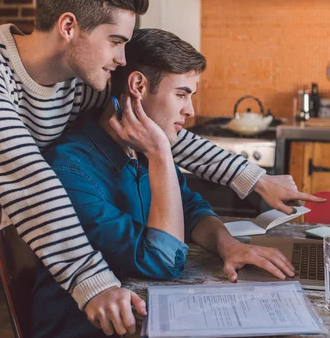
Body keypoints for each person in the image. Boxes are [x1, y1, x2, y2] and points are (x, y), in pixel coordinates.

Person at [0, 0, 324, 338]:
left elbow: (152, 132)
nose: (123, 58)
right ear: (68, 26)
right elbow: (27, 181)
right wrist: (92, 283)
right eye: (115, 41)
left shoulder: (77, 83)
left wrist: (254, 179)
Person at [30, 28, 296, 338]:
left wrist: (230, 246)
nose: (190, 110)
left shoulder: (138, 148)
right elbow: (163, 261)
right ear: (139, 86)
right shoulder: (71, 169)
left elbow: (191, 208)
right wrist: (160, 154)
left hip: (143, 314)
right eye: (181, 94)